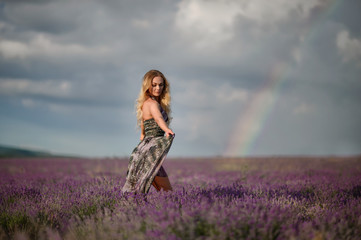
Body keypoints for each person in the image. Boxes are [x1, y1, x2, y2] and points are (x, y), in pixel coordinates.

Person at [122, 70, 175, 194]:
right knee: (167, 193)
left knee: (140, 194)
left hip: (143, 153)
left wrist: (142, 135)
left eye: (161, 85)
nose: (158, 88)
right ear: (147, 86)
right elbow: (158, 118)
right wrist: (166, 129)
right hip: (149, 155)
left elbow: (143, 124)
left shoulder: (146, 104)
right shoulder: (152, 104)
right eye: (154, 84)